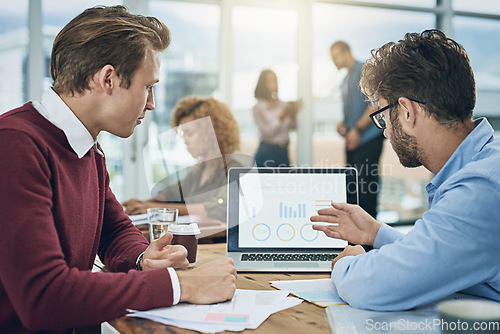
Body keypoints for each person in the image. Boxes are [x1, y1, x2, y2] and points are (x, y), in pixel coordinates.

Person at [0, 6, 236, 332]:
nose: (151, 103)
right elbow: (44, 296)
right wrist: (182, 287)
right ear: (108, 79)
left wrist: (145, 257)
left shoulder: (88, 149)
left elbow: (114, 230)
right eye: (147, 86)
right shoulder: (15, 146)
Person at [312, 30, 500, 311]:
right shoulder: (485, 164)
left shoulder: (479, 188)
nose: (386, 131)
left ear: (407, 111)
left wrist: (348, 264)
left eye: (384, 118)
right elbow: (449, 259)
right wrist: (377, 233)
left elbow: (374, 285)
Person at [122, 96, 242, 222]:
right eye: (183, 134)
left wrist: (150, 207)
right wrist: (141, 204)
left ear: (211, 133)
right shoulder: (199, 170)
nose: (185, 140)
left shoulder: (235, 170)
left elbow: (217, 209)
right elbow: (171, 194)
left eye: (189, 133)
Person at [330, 41, 385, 219]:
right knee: (352, 189)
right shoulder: (346, 79)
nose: (334, 61)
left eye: (336, 57)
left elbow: (375, 104)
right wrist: (344, 124)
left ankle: (369, 241)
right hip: (354, 142)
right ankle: (355, 237)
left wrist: (358, 130)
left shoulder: (364, 70)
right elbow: (354, 111)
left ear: (347, 52)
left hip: (368, 140)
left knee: (366, 190)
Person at [252, 69, 302, 167]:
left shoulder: (282, 105)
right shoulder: (258, 107)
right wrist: (281, 117)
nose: (274, 84)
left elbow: (293, 127)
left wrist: (293, 115)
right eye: (270, 81)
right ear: (263, 84)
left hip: (284, 152)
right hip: (267, 152)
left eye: (275, 80)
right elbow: (266, 133)